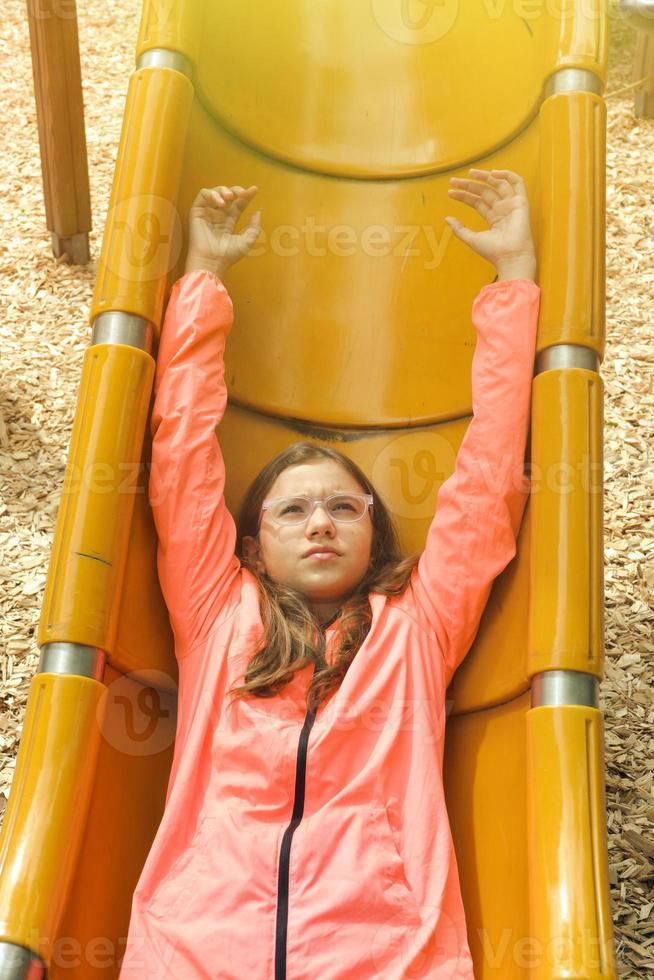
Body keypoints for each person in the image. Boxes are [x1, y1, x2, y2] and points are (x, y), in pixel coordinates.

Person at [118, 172, 540, 979]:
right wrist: (203, 274)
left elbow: (488, 478)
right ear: (252, 543)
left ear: (376, 531)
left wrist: (513, 278)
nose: (320, 522)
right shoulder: (216, 613)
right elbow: (181, 453)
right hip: (195, 949)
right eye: (293, 511)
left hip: (384, 955)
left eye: (345, 509)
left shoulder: (417, 626)